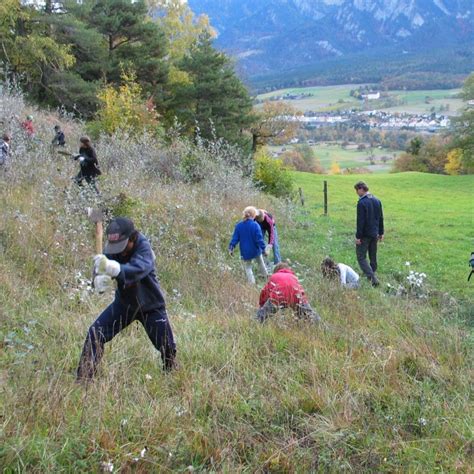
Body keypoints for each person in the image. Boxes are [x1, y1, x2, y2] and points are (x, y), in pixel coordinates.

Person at [76, 217, 177, 381]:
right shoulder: (113, 249)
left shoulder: (144, 248)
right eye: (115, 247)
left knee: (168, 347)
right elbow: (102, 271)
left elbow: (140, 268)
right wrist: (99, 280)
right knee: (95, 333)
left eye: (123, 247)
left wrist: (115, 269)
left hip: (151, 305)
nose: (119, 252)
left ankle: (171, 376)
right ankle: (84, 380)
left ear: (133, 238)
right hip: (124, 305)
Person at [256, 262, 321, 323]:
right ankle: (321, 325)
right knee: (310, 315)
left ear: (276, 270)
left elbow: (264, 293)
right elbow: (301, 292)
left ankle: (255, 324)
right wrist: (304, 302)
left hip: (277, 297)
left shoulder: (274, 276)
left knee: (260, 317)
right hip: (296, 296)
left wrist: (262, 306)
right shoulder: (294, 277)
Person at [354, 181, 384, 286]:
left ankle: (373, 279)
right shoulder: (377, 200)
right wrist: (381, 232)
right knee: (373, 255)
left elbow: (360, 221)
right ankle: (372, 272)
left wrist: (358, 237)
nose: (356, 193)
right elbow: (381, 218)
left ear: (361, 189)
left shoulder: (362, 203)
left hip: (365, 235)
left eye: (357, 190)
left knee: (361, 256)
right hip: (375, 233)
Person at [229, 206, 268, 284]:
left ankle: (251, 283)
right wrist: (264, 249)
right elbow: (259, 239)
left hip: (245, 251)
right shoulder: (256, 225)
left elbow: (235, 239)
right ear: (254, 216)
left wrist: (231, 247)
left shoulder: (239, 225)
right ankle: (266, 277)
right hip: (255, 250)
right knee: (261, 263)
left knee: (248, 267)